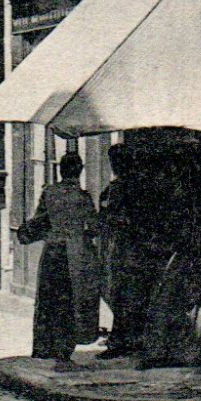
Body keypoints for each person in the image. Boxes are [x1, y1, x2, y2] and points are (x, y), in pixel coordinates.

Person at [18, 152, 100, 363]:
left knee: (48, 299)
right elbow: (94, 227)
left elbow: (39, 220)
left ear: (60, 170)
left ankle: (45, 346)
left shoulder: (50, 193)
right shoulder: (83, 198)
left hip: (52, 252)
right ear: (79, 170)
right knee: (70, 299)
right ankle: (64, 348)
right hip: (74, 255)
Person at [98, 144, 151, 358]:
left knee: (121, 292)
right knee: (127, 292)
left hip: (125, 246)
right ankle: (129, 338)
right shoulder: (129, 186)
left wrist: (110, 218)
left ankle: (121, 341)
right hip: (130, 246)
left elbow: (115, 216)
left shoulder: (123, 187)